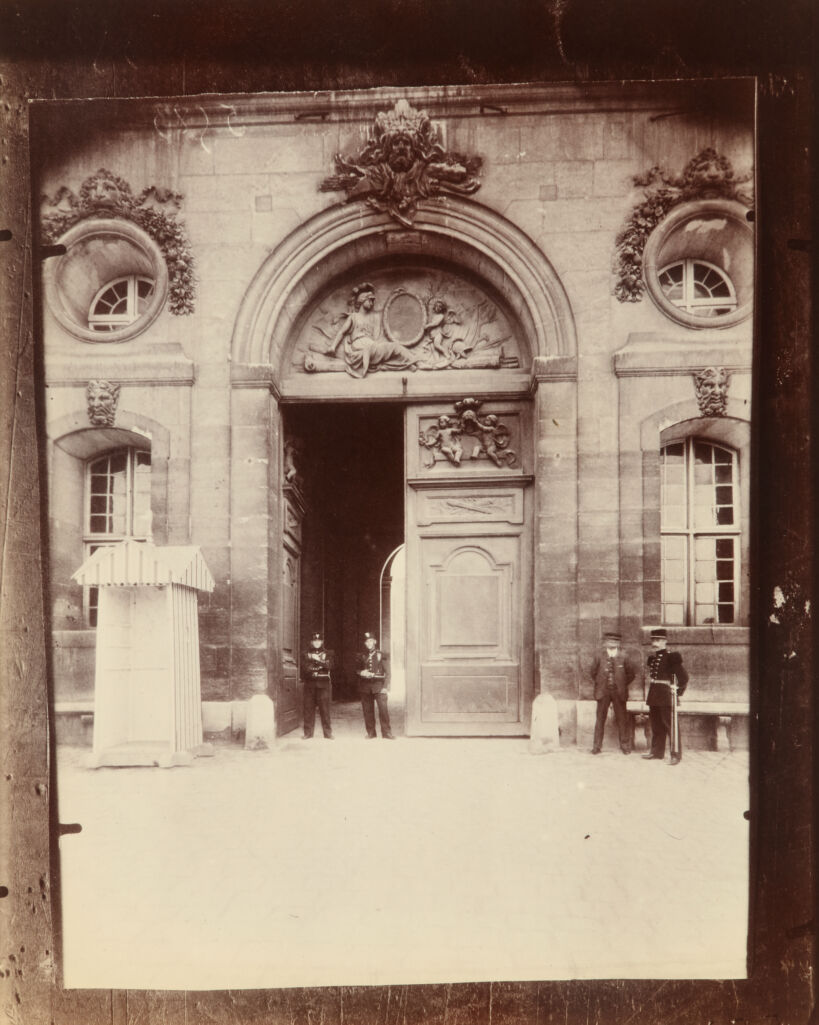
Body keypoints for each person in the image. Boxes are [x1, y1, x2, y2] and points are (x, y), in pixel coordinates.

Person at [328, 283, 423, 378]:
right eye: (370, 300)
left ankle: (413, 363)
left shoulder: (373, 318)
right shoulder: (354, 317)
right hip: (359, 346)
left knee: (394, 347)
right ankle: (413, 363)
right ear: (362, 300)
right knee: (387, 349)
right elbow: (342, 332)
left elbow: (384, 310)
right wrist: (333, 347)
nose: (372, 303)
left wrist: (392, 296)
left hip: (372, 347)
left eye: (372, 301)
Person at [643, 627, 689, 764]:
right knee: (656, 725)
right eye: (653, 640)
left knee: (671, 725)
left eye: (658, 640)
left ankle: (675, 754)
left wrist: (677, 691)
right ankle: (657, 752)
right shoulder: (653, 658)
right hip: (654, 694)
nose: (655, 642)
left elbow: (684, 677)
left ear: (665, 641)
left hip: (665, 695)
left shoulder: (671, 657)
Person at [589, 631, 636, 754]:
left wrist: (621, 684)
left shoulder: (624, 656)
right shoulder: (599, 656)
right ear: (605, 643)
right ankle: (596, 746)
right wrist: (601, 683)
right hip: (603, 692)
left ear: (618, 643)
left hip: (619, 692)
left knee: (622, 720)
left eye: (615, 641)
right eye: (609, 641)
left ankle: (625, 746)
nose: (612, 643)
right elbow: (593, 672)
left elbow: (631, 674)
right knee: (600, 720)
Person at [356, 631, 394, 739]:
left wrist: (385, 687)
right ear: (365, 643)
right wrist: (361, 672)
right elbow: (356, 669)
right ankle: (371, 733)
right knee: (367, 711)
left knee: (383, 710)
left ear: (375, 641)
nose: (369, 643)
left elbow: (388, 673)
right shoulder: (361, 655)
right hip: (365, 687)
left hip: (379, 686)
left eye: (371, 641)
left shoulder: (382, 655)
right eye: (367, 642)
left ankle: (386, 733)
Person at [302, 632, 333, 739]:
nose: (317, 643)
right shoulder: (306, 653)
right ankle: (308, 733)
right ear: (312, 642)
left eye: (319, 641)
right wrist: (313, 660)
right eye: (314, 641)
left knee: (325, 709)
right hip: (310, 684)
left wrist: (316, 659)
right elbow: (304, 668)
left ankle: (328, 733)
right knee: (308, 709)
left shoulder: (328, 653)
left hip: (323, 685)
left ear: (322, 642)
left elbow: (329, 666)